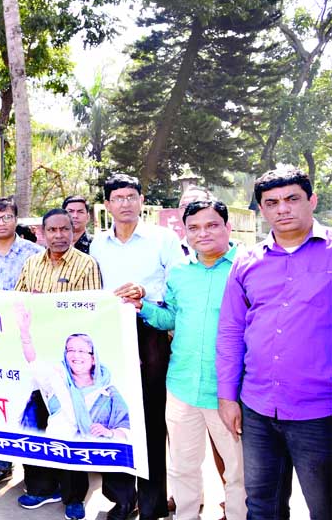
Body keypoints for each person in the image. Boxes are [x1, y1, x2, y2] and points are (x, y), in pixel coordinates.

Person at [120, 200, 246, 520]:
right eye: (194, 228)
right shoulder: (179, 273)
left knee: (238, 472)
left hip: (228, 391)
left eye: (211, 225)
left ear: (227, 226)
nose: (202, 233)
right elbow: (169, 319)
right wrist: (142, 306)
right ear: (185, 233)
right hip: (181, 386)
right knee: (182, 467)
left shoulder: (245, 267)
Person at [217, 167, 331, 520]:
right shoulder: (247, 261)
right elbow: (231, 331)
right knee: (263, 505)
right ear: (262, 211)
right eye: (272, 203)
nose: (283, 209)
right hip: (258, 407)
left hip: (319, 411)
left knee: (325, 506)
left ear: (311, 200)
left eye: (292, 199)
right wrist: (227, 396)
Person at [89, 173, 183, 520]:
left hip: (150, 334)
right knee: (115, 414)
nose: (125, 203)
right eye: (118, 198)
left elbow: (177, 286)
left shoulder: (163, 238)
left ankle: (154, 502)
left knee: (151, 420)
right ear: (108, 204)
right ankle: (120, 498)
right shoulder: (98, 243)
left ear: (142, 200)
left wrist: (147, 296)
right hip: (111, 335)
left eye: (131, 196)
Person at [12, 209, 102, 518]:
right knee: (35, 421)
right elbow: (18, 302)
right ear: (42, 233)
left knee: (69, 425)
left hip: (68, 359)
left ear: (74, 231)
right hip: (36, 355)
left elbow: (89, 310)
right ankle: (40, 488)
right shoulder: (31, 264)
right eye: (52, 230)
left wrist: (49, 306)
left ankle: (74, 495)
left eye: (65, 229)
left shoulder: (86, 265)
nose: (59, 235)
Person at [0, 197, 44, 489]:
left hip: (29, 339)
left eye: (6, 216)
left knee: (31, 402)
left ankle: (35, 471)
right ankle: (1, 463)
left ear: (16, 219)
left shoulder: (36, 253)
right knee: (0, 400)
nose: (1, 222)